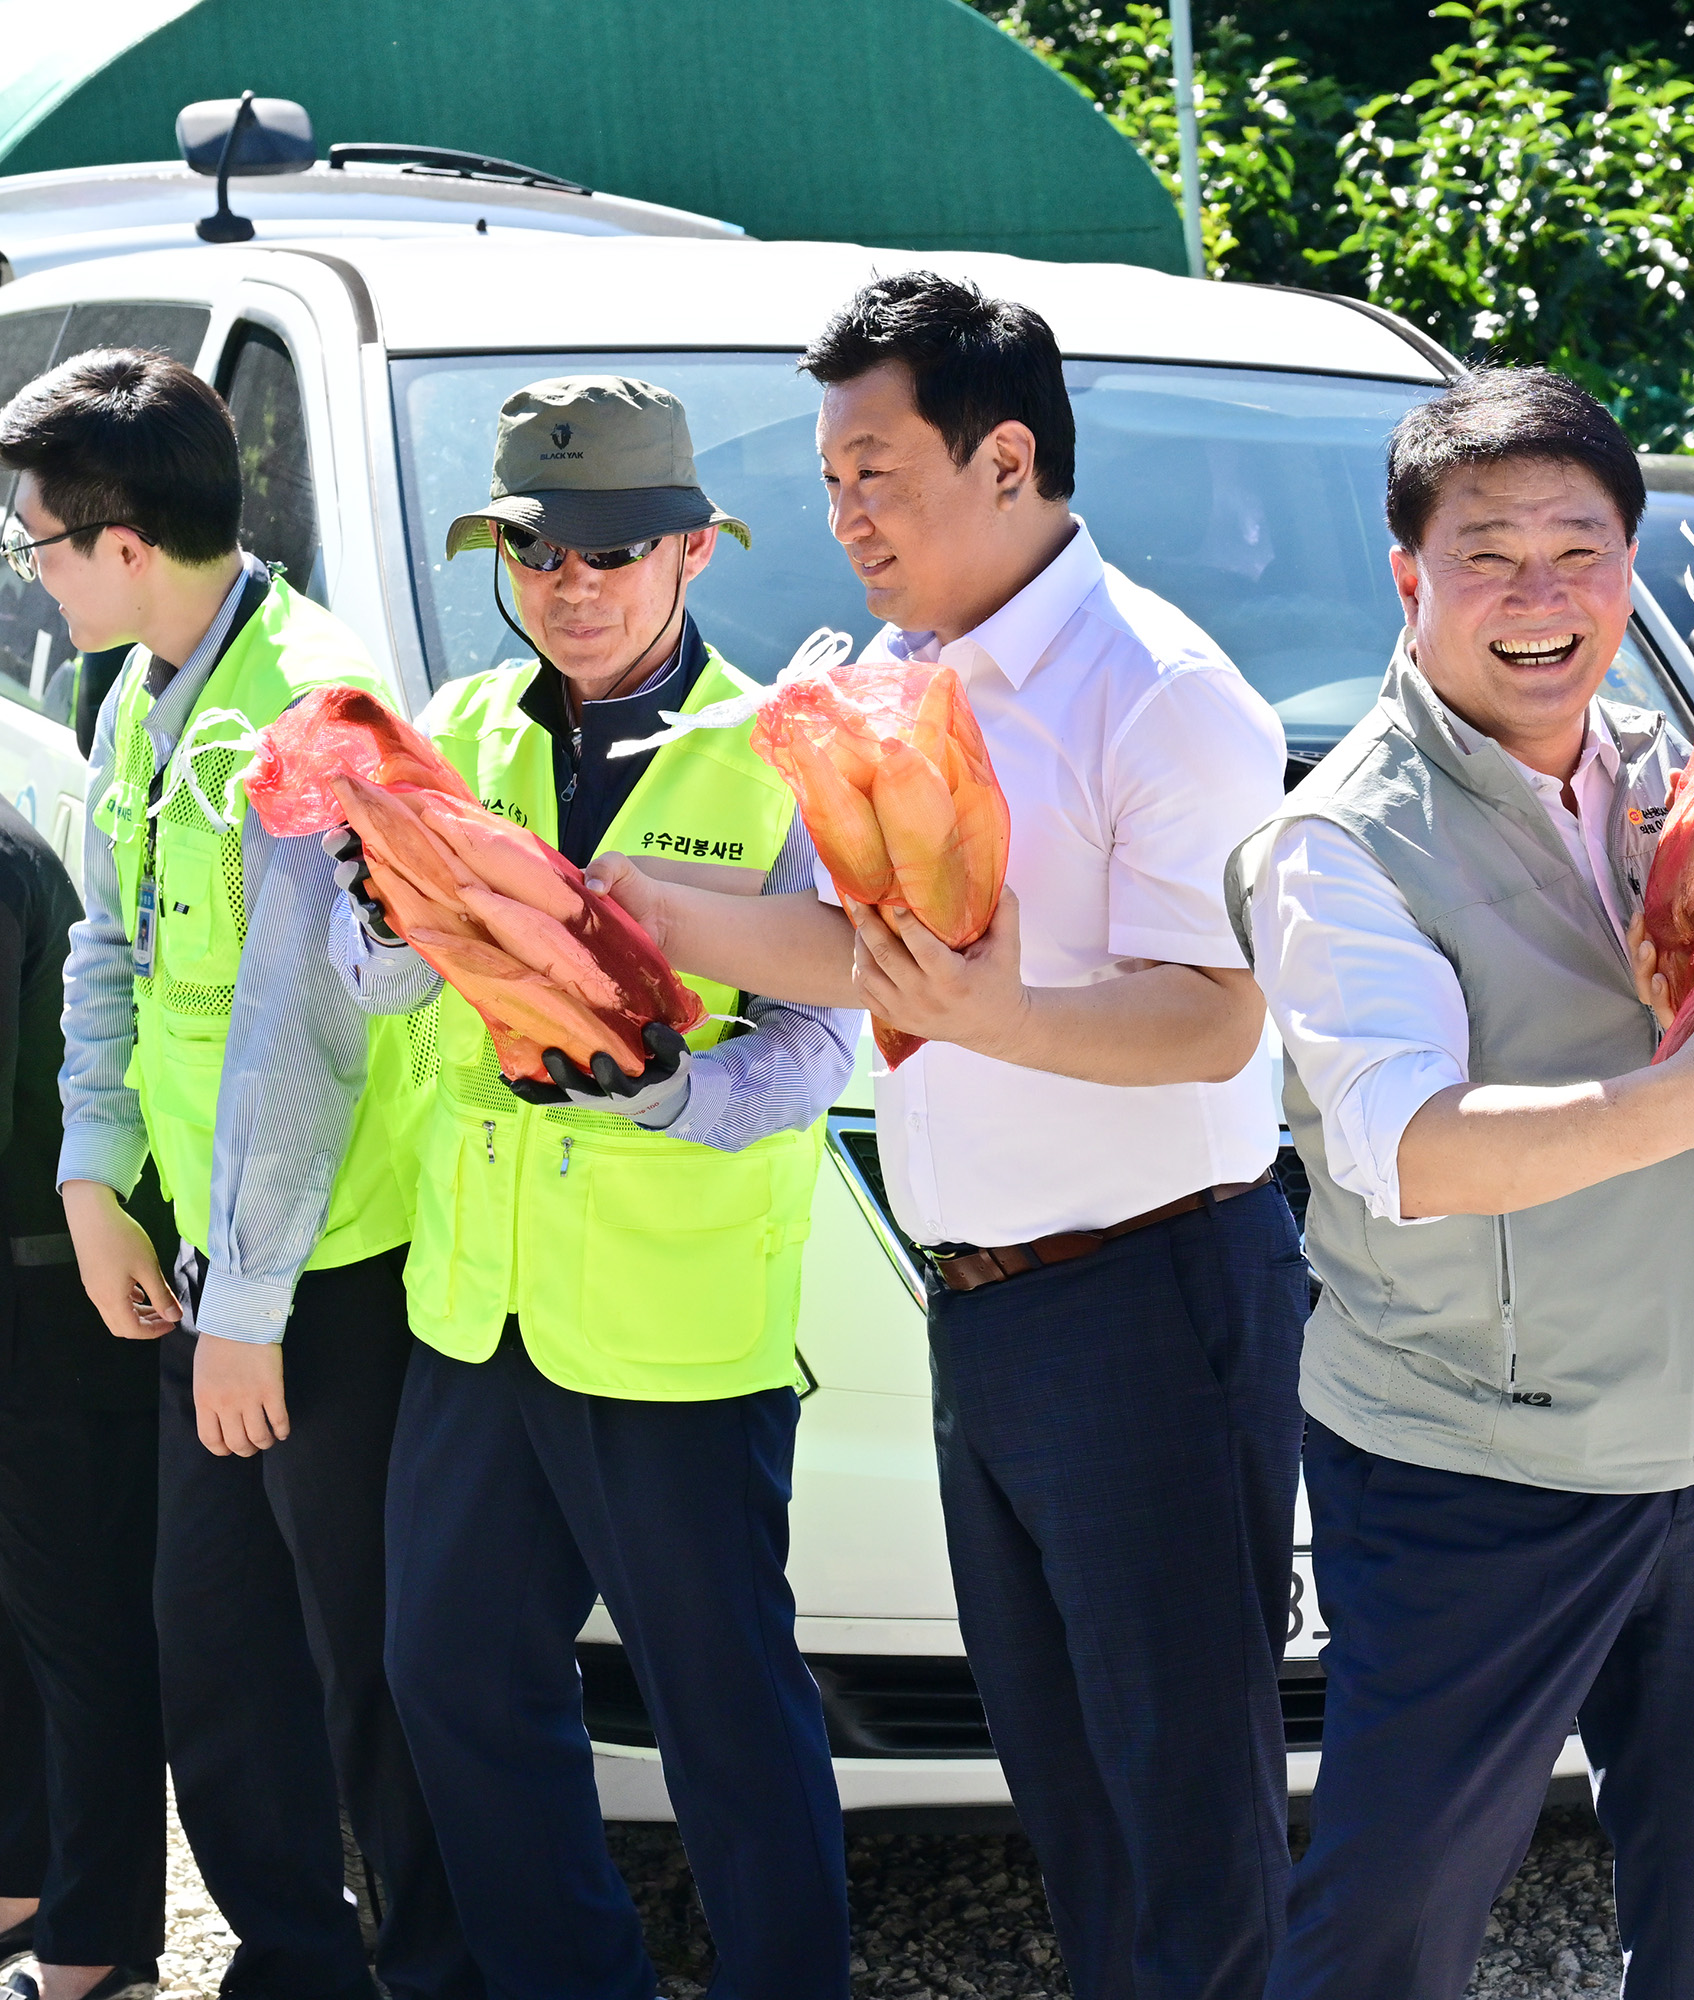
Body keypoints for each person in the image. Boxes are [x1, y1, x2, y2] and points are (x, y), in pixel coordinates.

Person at [592, 273, 1303, 2000]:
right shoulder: (912, 681)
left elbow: (1219, 1015)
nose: (842, 518)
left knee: (1186, 1812)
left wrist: (998, 1018)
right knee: (1068, 1794)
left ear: (1006, 459)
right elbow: (867, 959)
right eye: (831, 480)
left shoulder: (1160, 692)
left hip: (1158, 1298)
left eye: (873, 474)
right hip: (984, 1302)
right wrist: (629, 911)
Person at [1225, 367, 1694, 2000]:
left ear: (1630, 564)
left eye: (1580, 549)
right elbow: (1413, 1150)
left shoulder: (1677, 780)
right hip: (1467, 1469)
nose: (1540, 598)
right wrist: (1691, 1094)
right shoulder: (1338, 844)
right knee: (1388, 1931)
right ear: (1408, 575)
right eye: (1488, 553)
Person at [327, 376, 863, 1999]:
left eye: (612, 552)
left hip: (672, 1325)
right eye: (537, 550)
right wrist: (384, 917)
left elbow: (826, 1043)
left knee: (724, 1711)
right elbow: (388, 1003)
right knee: (450, 1679)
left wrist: (676, 1089)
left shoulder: (781, 757)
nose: (569, 584)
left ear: (693, 551)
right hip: (478, 1309)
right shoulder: (462, 733)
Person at [7, 348, 479, 1998]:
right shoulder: (137, 690)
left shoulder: (307, 707)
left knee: (373, 1668)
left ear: (122, 541)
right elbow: (112, 954)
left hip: (329, 1283)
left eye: (40, 542)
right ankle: (292, 1966)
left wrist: (252, 1314)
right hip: (221, 1268)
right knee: (215, 1657)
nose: (33, 567)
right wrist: (91, 1173)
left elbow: (301, 1039)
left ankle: (431, 1971)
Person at [0, 795, 166, 2000]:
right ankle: (23, 1878)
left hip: (59, 1307)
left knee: (81, 1631)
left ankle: (97, 1939)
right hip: (31, 1297)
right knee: (20, 1621)